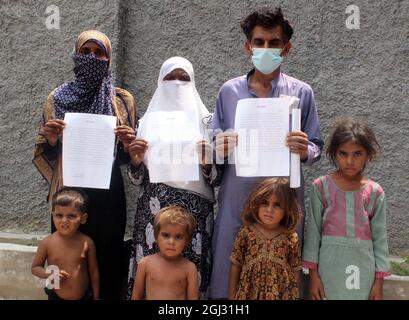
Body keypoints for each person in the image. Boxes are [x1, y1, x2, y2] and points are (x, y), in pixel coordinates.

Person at [209, 7, 323, 298]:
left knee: (283, 274)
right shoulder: (228, 91)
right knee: (228, 272)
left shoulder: (302, 93)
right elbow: (213, 146)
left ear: (287, 48)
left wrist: (304, 148)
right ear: (248, 46)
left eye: (274, 43)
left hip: (283, 202)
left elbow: (317, 148)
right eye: (259, 42)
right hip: (237, 196)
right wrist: (218, 147)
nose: (266, 48)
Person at [32, 30, 137, 299]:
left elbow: (128, 158)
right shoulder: (56, 98)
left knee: (106, 254)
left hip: (107, 193)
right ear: (76, 55)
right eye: (86, 52)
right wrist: (53, 140)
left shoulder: (122, 100)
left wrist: (127, 144)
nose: (92, 58)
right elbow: (45, 150)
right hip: (68, 193)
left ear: (108, 58)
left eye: (99, 53)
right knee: (63, 255)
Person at [127, 56, 214, 298]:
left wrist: (207, 163)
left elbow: (217, 179)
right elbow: (137, 180)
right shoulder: (145, 124)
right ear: (159, 81)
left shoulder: (207, 122)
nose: (177, 83)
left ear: (192, 82)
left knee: (192, 279)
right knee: (151, 276)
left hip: (196, 213)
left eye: (183, 78)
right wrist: (135, 161)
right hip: (154, 213)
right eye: (170, 78)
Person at [302, 118, 390, 300]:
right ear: (334, 154)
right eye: (343, 153)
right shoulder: (321, 187)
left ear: (368, 155)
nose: (350, 161)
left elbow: (380, 241)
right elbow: (312, 235)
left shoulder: (375, 192)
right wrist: (313, 277)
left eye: (357, 154)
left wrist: (378, 283)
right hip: (329, 268)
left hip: (363, 269)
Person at [228, 178, 301, 300]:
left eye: (277, 205)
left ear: (287, 209)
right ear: (256, 204)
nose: (269, 210)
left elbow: (296, 270)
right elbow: (235, 265)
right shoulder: (246, 233)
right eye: (265, 203)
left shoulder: (291, 237)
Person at [31, 188, 99, 300]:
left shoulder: (87, 243)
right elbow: (35, 268)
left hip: (84, 297)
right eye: (59, 215)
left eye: (71, 216)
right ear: (52, 216)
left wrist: (96, 297)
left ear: (83, 218)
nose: (64, 221)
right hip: (55, 295)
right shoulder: (47, 242)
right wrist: (50, 274)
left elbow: (94, 272)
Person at [131, 206, 199, 300]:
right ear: (156, 236)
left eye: (178, 237)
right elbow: (136, 296)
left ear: (187, 240)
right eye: (166, 235)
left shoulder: (189, 268)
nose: (171, 242)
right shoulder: (145, 264)